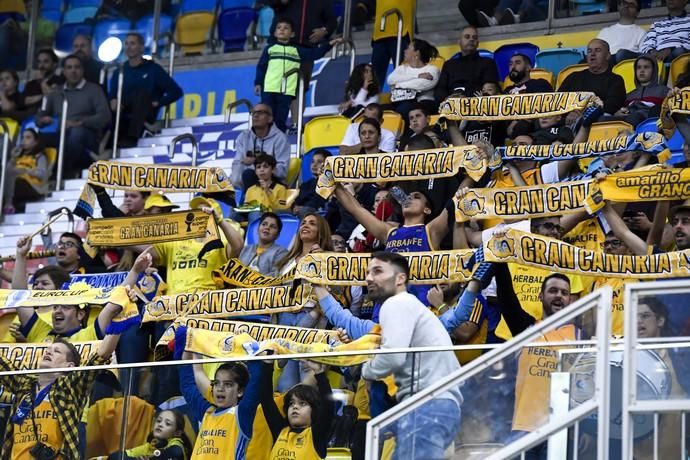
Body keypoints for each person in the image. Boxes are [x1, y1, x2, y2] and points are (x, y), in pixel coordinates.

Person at [359, 252, 462, 459]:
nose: (369, 278)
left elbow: (393, 357)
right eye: (368, 272)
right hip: (439, 406)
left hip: (427, 406)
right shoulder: (411, 305)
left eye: (377, 271)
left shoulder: (397, 303)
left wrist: (366, 370)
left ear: (400, 279)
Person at [0, 333, 123, 459]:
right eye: (47, 350)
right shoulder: (24, 385)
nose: (48, 353)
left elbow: (101, 356)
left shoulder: (70, 388)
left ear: (69, 366)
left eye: (56, 351)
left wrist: (117, 325)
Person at [175, 326, 264, 460]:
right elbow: (187, 386)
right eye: (216, 383)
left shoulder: (242, 414)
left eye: (228, 384)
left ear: (240, 391)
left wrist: (249, 348)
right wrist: (187, 345)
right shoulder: (208, 413)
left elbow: (256, 385)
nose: (220, 388)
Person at [254, 17, 339, 132]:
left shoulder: (297, 50)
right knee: (266, 117)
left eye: (286, 28)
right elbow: (261, 66)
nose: (282, 30)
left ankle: (278, 144)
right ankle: (264, 143)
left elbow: (315, 54)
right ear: (275, 33)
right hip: (269, 89)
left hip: (286, 91)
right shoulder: (270, 49)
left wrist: (329, 44)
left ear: (292, 34)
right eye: (279, 28)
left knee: (280, 119)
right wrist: (258, 83)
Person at [37, 54, 111, 178]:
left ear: (82, 70)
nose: (73, 71)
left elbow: (105, 117)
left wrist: (80, 122)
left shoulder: (94, 90)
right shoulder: (56, 93)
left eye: (77, 67)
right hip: (62, 134)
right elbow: (39, 117)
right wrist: (43, 119)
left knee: (76, 133)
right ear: (64, 71)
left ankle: (63, 174)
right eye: (69, 67)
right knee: (35, 138)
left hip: (88, 136)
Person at [109, 33, 182, 147]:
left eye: (132, 43)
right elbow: (112, 95)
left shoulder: (153, 69)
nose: (128, 47)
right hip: (123, 113)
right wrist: (113, 100)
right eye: (126, 44)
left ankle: (133, 137)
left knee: (140, 95)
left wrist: (158, 103)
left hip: (145, 112)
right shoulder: (119, 71)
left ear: (142, 47)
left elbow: (176, 91)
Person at [259, 360, 335, 459]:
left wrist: (319, 373)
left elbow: (328, 406)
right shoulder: (280, 430)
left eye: (302, 403)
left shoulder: (316, 435)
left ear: (314, 409)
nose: (295, 406)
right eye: (291, 403)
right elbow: (266, 400)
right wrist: (267, 365)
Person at [558, 39, 626, 123]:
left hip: (596, 122)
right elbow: (558, 101)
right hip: (567, 122)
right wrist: (570, 112)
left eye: (598, 50)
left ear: (608, 56)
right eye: (589, 51)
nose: (592, 54)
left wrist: (583, 112)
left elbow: (612, 105)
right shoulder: (573, 77)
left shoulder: (615, 80)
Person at [231, 103, 291, 191]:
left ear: (270, 118)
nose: (255, 115)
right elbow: (237, 163)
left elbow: (282, 171)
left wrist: (258, 163)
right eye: (253, 113)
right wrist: (234, 186)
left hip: (272, 184)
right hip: (247, 183)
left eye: (260, 112)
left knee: (248, 174)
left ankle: (249, 202)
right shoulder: (244, 137)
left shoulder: (280, 138)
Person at [435, 26, 499, 102]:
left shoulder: (488, 62)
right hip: (451, 105)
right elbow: (440, 89)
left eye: (474, 37)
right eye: (467, 37)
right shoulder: (449, 65)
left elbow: (490, 89)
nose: (471, 39)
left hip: (476, 104)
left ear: (478, 43)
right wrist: (448, 100)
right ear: (459, 42)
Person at [386, 39, 441, 120]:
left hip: (423, 102)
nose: (404, 51)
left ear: (417, 53)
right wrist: (417, 76)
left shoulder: (432, 70)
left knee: (403, 110)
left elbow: (423, 84)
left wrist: (398, 85)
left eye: (408, 48)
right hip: (400, 101)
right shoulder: (402, 68)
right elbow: (390, 80)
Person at [107, 409, 192, 460]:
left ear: (177, 433)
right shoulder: (151, 446)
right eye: (158, 421)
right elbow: (116, 456)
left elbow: (174, 452)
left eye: (167, 424)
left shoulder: (177, 444)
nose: (160, 424)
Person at [2, 129, 50, 214]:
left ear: (36, 142)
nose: (24, 140)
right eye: (23, 137)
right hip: (14, 181)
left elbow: (42, 174)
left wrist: (26, 171)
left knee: (13, 179)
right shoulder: (19, 156)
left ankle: (8, 204)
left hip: (31, 184)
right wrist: (13, 158)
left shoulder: (39, 157)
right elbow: (6, 171)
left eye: (28, 137)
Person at [610, 55, 668, 125]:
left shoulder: (664, 91)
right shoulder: (629, 95)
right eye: (639, 67)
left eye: (646, 67)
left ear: (654, 70)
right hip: (628, 119)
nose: (642, 71)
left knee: (635, 117)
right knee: (603, 119)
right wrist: (617, 113)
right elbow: (622, 110)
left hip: (647, 124)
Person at [370, 0, 416, 88]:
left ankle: (403, 100)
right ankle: (372, 100)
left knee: (403, 77)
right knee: (374, 78)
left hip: (401, 32)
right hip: (379, 34)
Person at [242, 153, 290, 222]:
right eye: (258, 167)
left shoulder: (280, 188)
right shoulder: (251, 189)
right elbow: (246, 207)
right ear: (255, 171)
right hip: (252, 214)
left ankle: (256, 232)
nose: (262, 170)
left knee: (255, 213)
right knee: (234, 214)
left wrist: (268, 191)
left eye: (265, 167)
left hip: (270, 216)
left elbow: (281, 209)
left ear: (273, 170)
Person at [239, 212, 288, 277]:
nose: (267, 228)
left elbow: (276, 276)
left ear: (277, 235)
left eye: (272, 226)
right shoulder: (246, 249)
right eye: (264, 224)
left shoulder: (281, 253)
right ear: (257, 230)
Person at [292, 149, 330, 217]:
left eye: (319, 162)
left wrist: (303, 208)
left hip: (315, 212)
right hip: (302, 211)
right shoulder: (305, 185)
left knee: (305, 211)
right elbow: (296, 200)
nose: (314, 165)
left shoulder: (328, 184)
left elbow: (319, 202)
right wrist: (295, 207)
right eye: (313, 161)